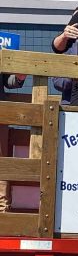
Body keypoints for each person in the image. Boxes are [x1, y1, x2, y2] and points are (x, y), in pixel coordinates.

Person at [0, 73, 26, 212]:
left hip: (1, 112)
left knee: (2, 162)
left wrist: (19, 77)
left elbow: (8, 80)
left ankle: (2, 211)